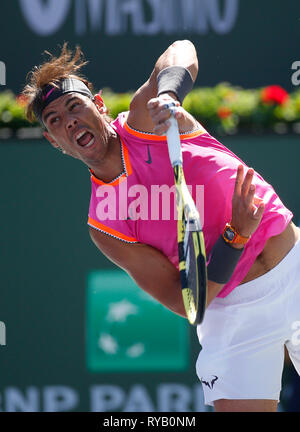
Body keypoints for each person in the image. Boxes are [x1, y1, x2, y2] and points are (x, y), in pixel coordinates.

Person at [22, 40, 300, 412]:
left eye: (76, 106)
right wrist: (236, 235)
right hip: (234, 319)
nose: (69, 120)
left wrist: (167, 93)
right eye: (55, 120)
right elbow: (187, 302)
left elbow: (183, 48)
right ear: (53, 141)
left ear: (99, 105)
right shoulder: (105, 225)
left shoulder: (145, 120)